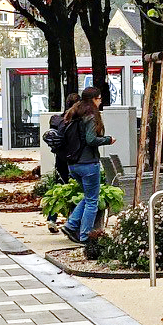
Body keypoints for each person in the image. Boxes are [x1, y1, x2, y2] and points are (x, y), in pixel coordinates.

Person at [56, 88, 112, 244]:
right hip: (88, 163)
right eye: (99, 98)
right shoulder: (91, 116)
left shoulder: (74, 113)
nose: (100, 101)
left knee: (89, 197)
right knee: (92, 201)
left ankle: (71, 224)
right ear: (93, 99)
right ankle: (85, 236)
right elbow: (91, 139)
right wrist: (107, 140)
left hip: (73, 164)